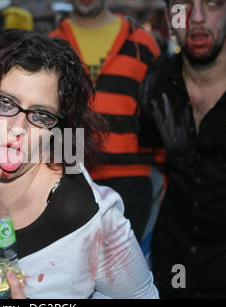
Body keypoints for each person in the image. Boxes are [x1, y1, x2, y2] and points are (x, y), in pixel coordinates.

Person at [0, 29, 159, 299]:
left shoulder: (96, 219)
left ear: (58, 128)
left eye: (40, 115)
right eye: (5, 103)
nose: (18, 128)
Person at [139, 0, 226, 298]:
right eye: (182, 6)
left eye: (213, 4)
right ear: (170, 17)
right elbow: (156, 161)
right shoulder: (156, 85)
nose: (196, 17)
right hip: (173, 268)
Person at [49, 0, 163, 243]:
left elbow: (160, 111)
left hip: (131, 179)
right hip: (67, 176)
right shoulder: (49, 45)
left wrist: (165, 175)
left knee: (125, 274)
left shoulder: (144, 43)